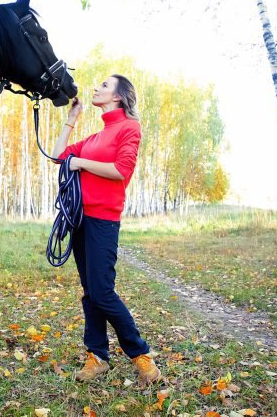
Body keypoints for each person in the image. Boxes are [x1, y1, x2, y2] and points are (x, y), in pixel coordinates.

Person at [52, 74, 161, 385]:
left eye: (103, 85)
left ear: (118, 96)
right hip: (80, 219)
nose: (96, 88)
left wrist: (82, 163)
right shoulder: (97, 136)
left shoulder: (129, 128)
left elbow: (120, 171)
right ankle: (97, 356)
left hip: (104, 220)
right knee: (90, 293)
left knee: (102, 291)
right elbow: (59, 156)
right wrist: (72, 119)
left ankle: (141, 355)